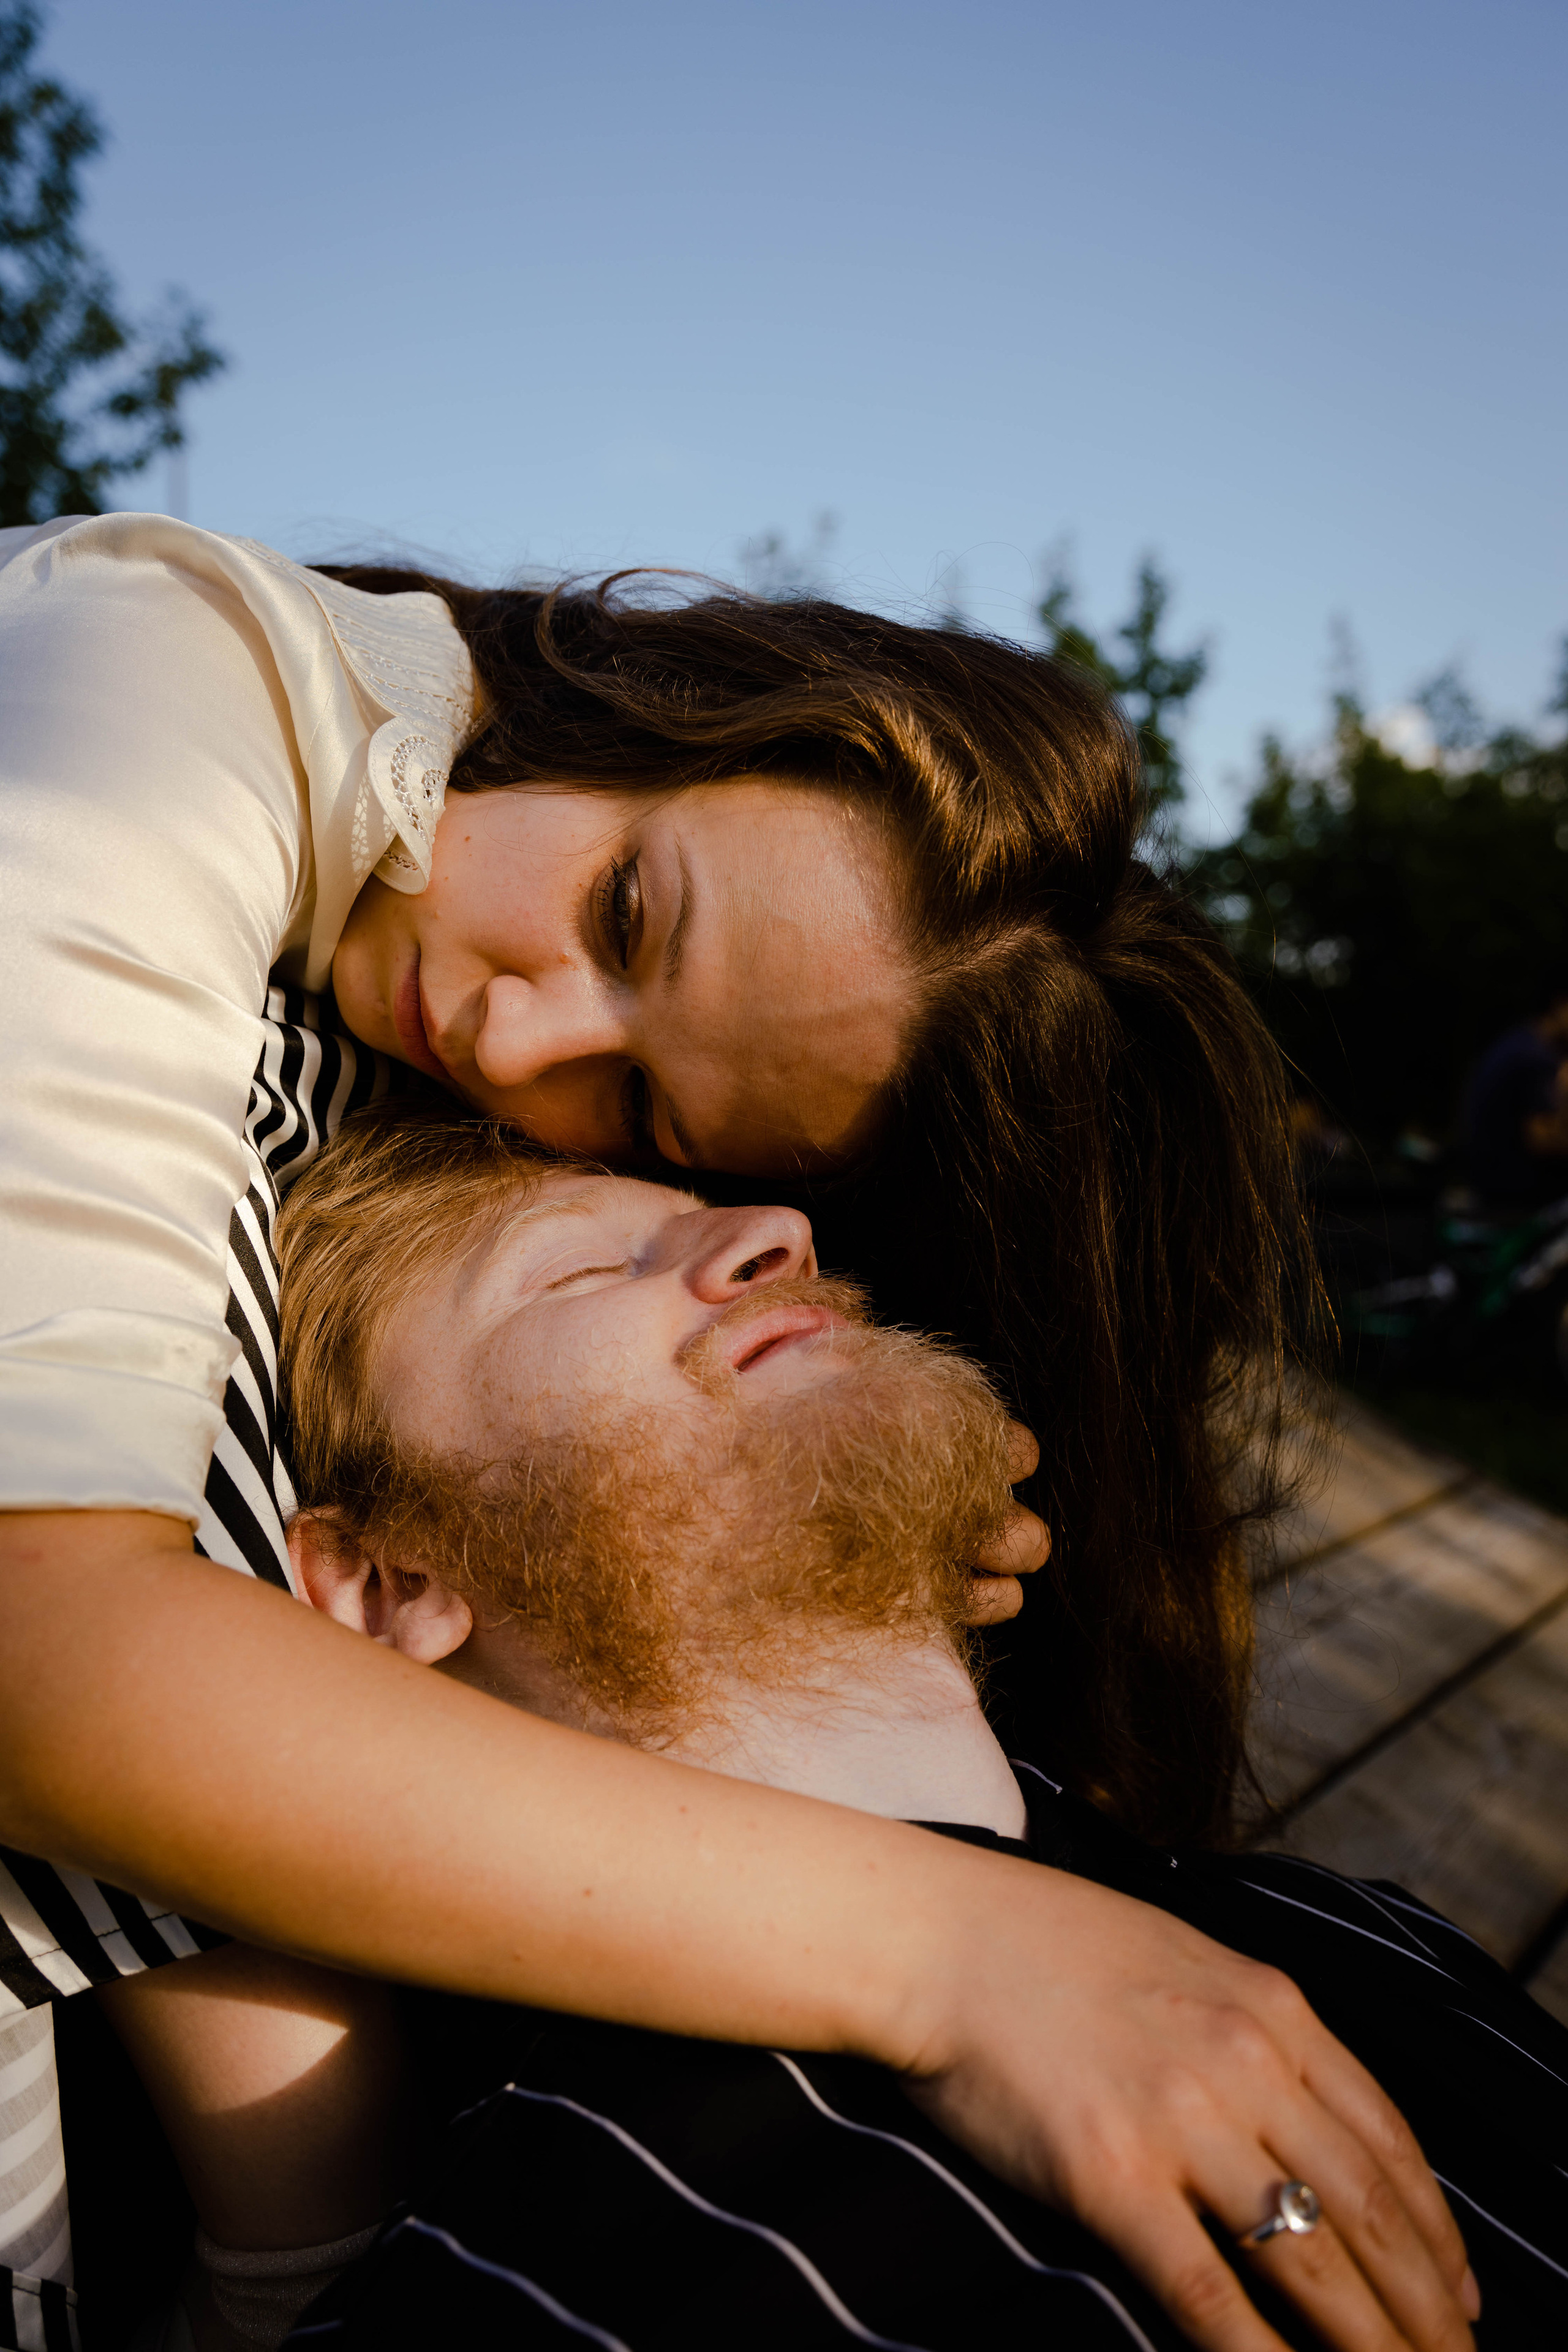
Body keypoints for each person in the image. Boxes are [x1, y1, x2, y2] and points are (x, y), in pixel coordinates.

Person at [0, 515, 1470, 2352]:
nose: (516, 1041)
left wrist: (817, 1478)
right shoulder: (145, 684)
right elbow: (37, 1641)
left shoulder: (351, 997)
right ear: (671, 706)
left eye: (638, 1106)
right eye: (629, 909)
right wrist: (961, 1951)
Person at [114, 1104, 1550, 2350]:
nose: (771, 1233)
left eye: (716, 1215)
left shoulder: (1364, 1933)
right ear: (387, 1579)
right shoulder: (534, 2270)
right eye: (572, 1267)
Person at [1463, 984, 1568, 1208]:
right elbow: (1542, 1140)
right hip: (1514, 1190)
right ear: (1560, 1004)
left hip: (1485, 1180)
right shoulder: (1535, 1057)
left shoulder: (1519, 1040)